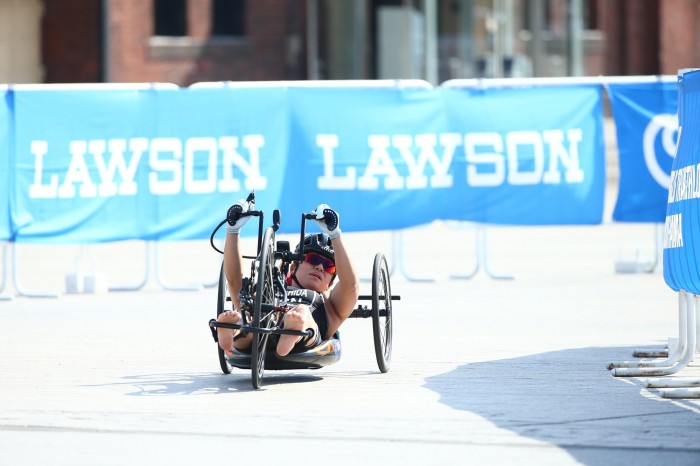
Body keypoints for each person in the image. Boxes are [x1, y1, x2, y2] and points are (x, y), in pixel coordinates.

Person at [216, 202, 360, 357]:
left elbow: (351, 286)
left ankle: (292, 330)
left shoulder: (330, 303)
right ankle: (233, 329)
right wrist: (233, 230)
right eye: (311, 259)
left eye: (328, 266)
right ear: (292, 267)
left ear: (330, 283)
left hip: (305, 335)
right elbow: (234, 281)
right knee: (246, 316)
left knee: (301, 311)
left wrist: (335, 234)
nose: (319, 267)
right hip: (259, 331)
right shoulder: (270, 289)